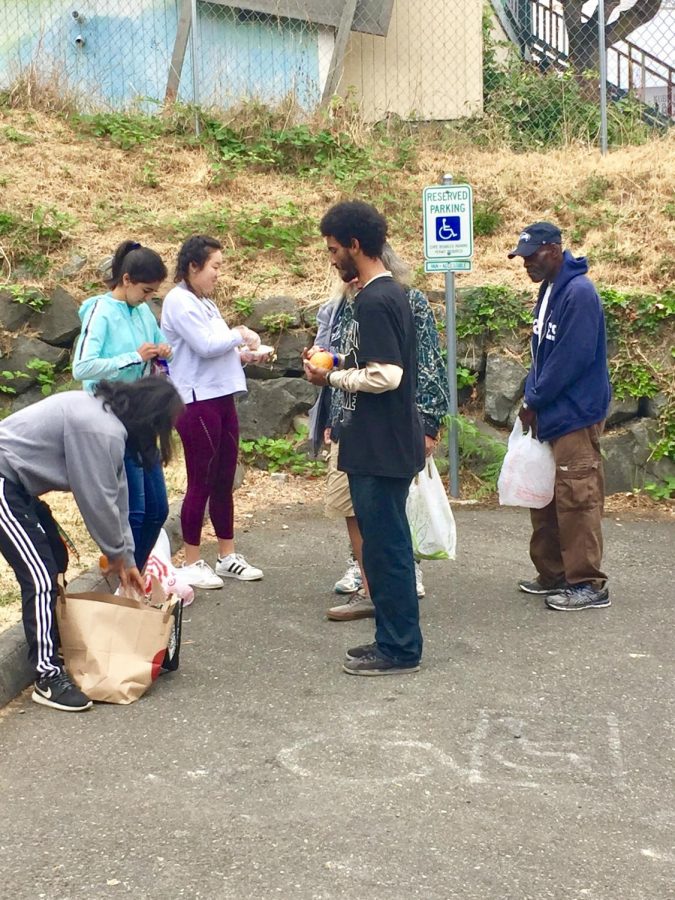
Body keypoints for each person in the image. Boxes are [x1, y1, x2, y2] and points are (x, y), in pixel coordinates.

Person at [0, 377, 185, 712]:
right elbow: (96, 499)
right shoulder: (98, 428)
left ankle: (52, 643)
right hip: (4, 482)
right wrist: (116, 553)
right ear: (149, 417)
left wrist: (126, 558)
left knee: (54, 559)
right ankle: (46, 675)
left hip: (17, 486)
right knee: (40, 575)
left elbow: (118, 496)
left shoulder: (107, 421)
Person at [305, 201, 425, 676]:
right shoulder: (374, 296)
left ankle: (400, 649)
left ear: (355, 245)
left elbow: (388, 375)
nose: (332, 259)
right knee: (379, 546)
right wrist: (333, 364)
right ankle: (389, 639)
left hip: (383, 447)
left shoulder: (378, 299)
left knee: (388, 548)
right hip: (374, 445)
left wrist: (329, 380)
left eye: (335, 249)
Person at [307, 243, 449, 620]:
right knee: (355, 511)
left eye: (335, 250)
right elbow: (355, 360)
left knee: (389, 531)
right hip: (350, 428)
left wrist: (428, 422)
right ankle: (371, 587)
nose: (332, 260)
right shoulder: (348, 303)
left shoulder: (397, 299)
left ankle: (397, 630)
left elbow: (411, 368)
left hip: (387, 433)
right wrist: (331, 405)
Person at [508, 221, 611, 611]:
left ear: (554, 250)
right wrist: (534, 398)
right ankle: (553, 573)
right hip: (551, 411)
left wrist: (533, 399)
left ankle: (587, 582)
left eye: (531, 256)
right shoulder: (549, 289)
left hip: (574, 414)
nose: (526, 264)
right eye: (522, 258)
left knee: (577, 497)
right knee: (545, 494)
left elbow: (570, 360)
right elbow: (542, 353)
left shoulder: (579, 293)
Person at [160, 234, 265, 590]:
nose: (219, 274)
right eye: (215, 267)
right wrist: (239, 333)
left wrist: (246, 355)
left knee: (223, 478)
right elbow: (205, 346)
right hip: (195, 399)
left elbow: (217, 349)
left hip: (220, 394)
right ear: (193, 266)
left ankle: (227, 555)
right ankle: (191, 561)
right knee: (201, 480)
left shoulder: (204, 301)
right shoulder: (179, 301)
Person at [72, 240, 173, 571]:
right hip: (111, 416)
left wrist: (163, 351)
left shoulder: (141, 310)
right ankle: (125, 579)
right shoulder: (100, 311)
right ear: (126, 279)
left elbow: (154, 346)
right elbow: (82, 367)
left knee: (158, 508)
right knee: (136, 510)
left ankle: (133, 575)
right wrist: (133, 357)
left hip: (142, 414)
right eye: (145, 291)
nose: (148, 299)